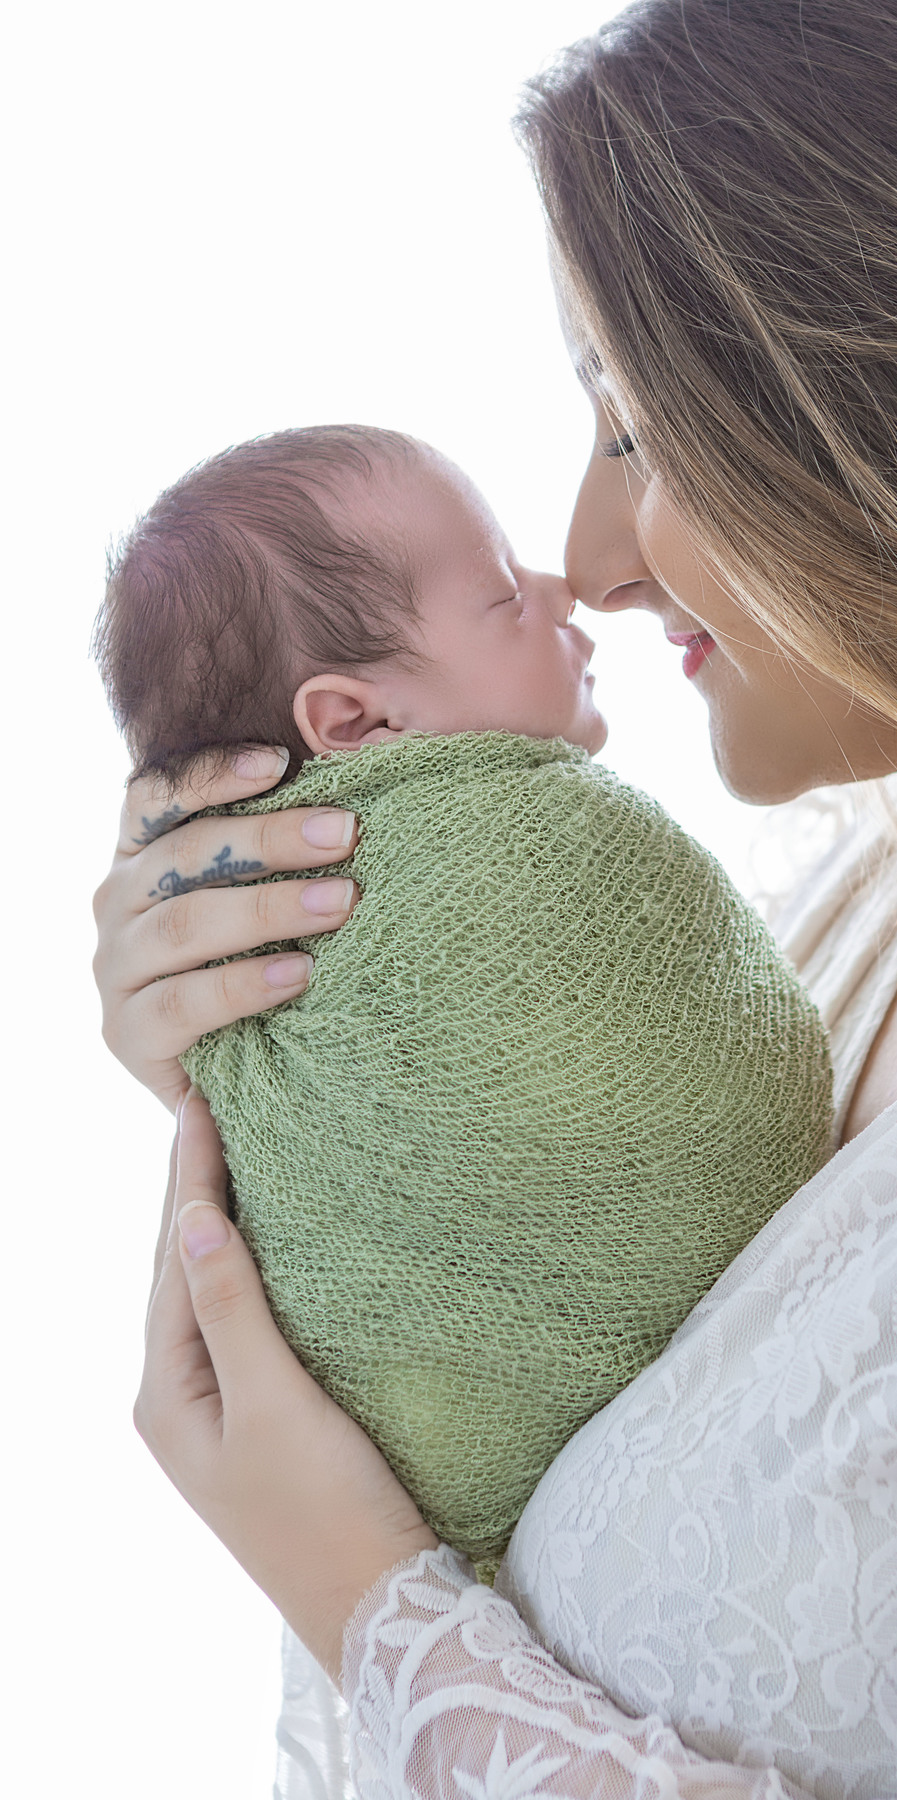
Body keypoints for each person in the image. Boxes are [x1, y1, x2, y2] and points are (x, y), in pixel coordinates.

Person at [93, 0, 897, 1794]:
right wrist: (291, 1061)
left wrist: (369, 1602)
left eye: (635, 426)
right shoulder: (868, 904)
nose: (590, 563)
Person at [95, 421, 830, 1577]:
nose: (567, 580)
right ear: (357, 724)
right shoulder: (347, 907)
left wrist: (361, 1594)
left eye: (637, 432)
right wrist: (233, 1078)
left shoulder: (552, 869)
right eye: (500, 592)